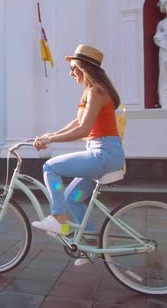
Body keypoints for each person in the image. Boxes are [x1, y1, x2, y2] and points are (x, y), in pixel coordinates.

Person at [31, 44, 125, 237]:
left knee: (50, 168)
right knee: (72, 198)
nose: (71, 73)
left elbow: (83, 129)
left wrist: (51, 140)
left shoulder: (96, 92)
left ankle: (59, 220)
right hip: (105, 153)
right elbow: (77, 122)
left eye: (72, 68)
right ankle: (88, 241)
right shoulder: (95, 91)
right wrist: (51, 135)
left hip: (102, 154)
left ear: (83, 68)